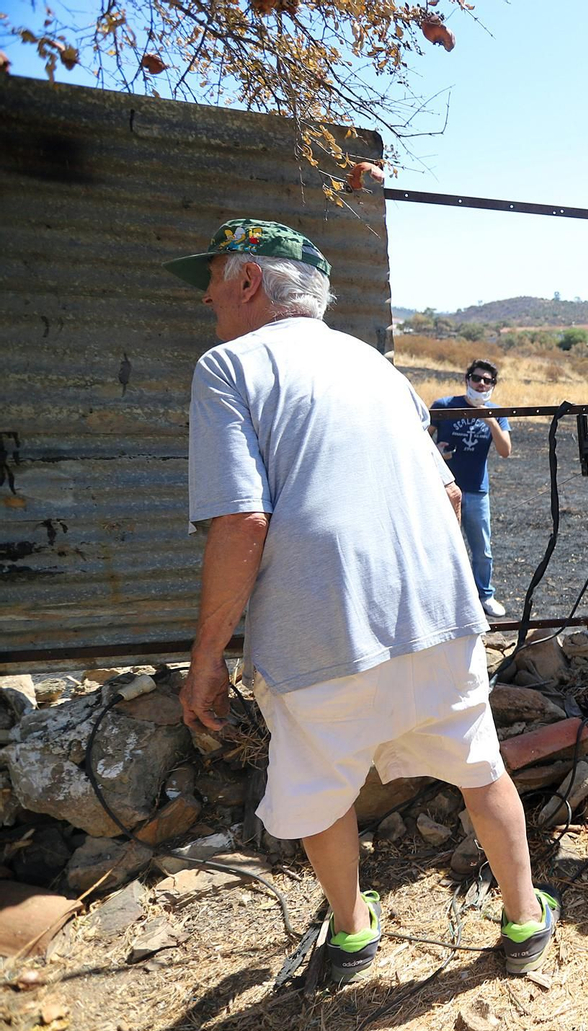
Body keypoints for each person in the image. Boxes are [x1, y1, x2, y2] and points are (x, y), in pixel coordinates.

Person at [167, 219, 556, 984]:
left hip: (321, 631)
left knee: (321, 789)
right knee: (480, 769)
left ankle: (352, 933)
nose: (208, 295)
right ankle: (524, 919)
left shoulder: (228, 368)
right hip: (438, 618)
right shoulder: (378, 368)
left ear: (249, 280)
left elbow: (243, 521)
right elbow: (449, 496)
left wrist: (206, 658)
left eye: (214, 277)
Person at [431, 360, 513, 618]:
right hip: (444, 488)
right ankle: (443, 598)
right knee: (443, 545)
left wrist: (490, 421)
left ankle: (485, 595)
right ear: (467, 379)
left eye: (487, 380)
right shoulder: (444, 406)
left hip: (477, 490)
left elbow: (505, 450)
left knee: (482, 550)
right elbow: (418, 439)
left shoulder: (497, 413)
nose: (481, 384)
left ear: (493, 385)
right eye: (476, 378)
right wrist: (436, 452)